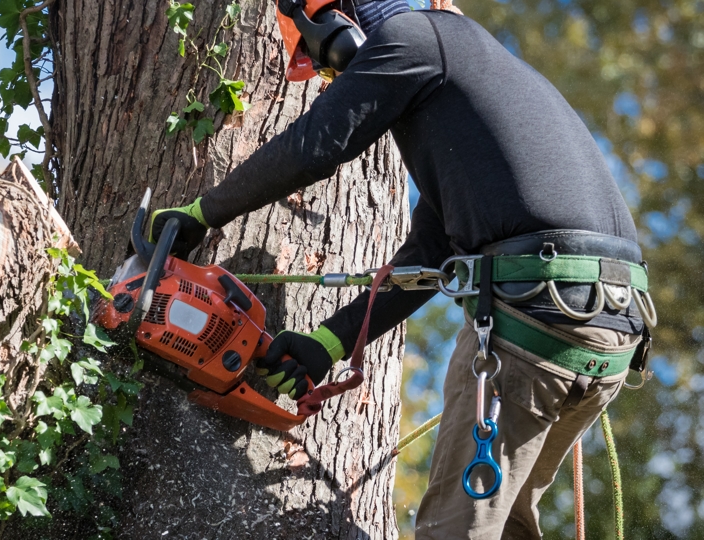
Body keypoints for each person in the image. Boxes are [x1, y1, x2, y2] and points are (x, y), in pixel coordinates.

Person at [149, 0, 653, 538]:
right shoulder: (466, 80)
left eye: (322, 64)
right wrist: (328, 343)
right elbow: (429, 255)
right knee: (504, 529)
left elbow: (316, 144)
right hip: (610, 331)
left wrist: (201, 214)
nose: (332, 78)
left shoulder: (413, 39)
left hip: (535, 325)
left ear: (337, 28)